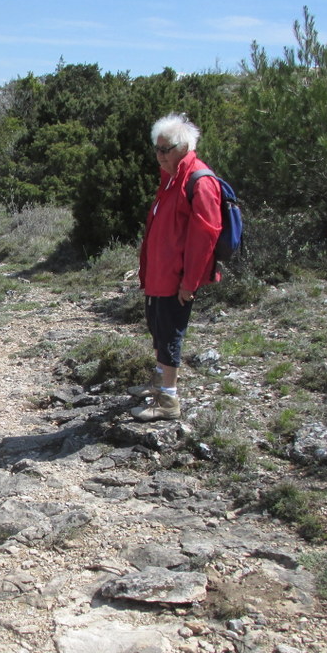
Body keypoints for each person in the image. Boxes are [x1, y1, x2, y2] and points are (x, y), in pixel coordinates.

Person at [129, 113, 222, 422]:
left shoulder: (199, 180)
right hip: (158, 275)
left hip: (176, 279)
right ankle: (158, 382)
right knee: (157, 328)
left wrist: (190, 282)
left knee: (170, 334)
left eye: (164, 149)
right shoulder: (169, 180)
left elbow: (205, 236)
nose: (159, 155)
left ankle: (168, 399)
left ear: (184, 147)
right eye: (156, 149)